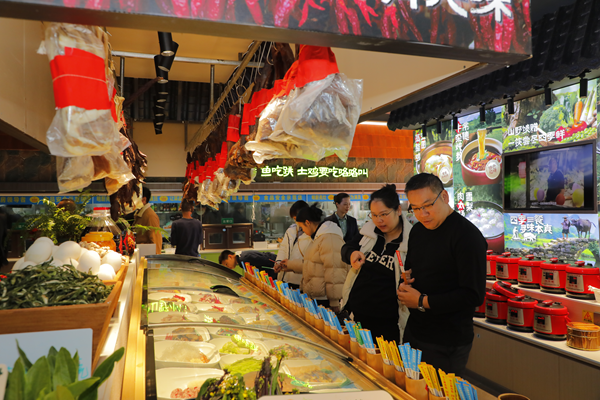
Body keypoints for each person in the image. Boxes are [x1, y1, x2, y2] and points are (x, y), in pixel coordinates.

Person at [397, 173, 486, 375]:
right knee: (408, 386)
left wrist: (422, 301)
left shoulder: (467, 236)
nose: (422, 214)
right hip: (415, 330)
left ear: (444, 197)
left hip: (447, 340)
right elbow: (413, 270)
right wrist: (406, 283)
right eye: (415, 208)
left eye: (428, 205)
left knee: (439, 391)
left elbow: (473, 295)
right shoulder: (418, 231)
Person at [340, 184, 411, 343]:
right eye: (374, 215)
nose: (379, 220)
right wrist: (351, 254)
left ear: (398, 210)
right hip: (357, 317)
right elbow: (346, 248)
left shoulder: (409, 241)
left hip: (388, 323)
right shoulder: (368, 233)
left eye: (384, 214)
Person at [275, 205, 349, 311]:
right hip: (316, 296)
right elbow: (312, 264)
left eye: (302, 227)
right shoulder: (318, 237)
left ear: (308, 222)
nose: (303, 231)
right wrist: (290, 265)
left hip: (325, 300)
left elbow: (334, 271)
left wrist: (334, 302)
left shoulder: (329, 238)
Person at [275, 200, 311, 289]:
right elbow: (283, 249)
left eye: (296, 218)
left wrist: (292, 265)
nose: (296, 221)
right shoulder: (291, 230)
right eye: (294, 219)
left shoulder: (313, 234)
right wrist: (278, 262)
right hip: (284, 278)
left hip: (300, 280)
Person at [134, 186, 163, 255]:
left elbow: (156, 242)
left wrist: (156, 260)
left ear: (143, 200)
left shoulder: (150, 216)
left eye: (134, 198)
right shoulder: (139, 213)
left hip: (147, 259)